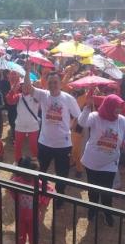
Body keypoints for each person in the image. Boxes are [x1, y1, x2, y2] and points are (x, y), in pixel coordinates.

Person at [23, 61, 81, 201]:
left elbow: (78, 116)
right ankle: (41, 193)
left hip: (63, 145)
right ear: (47, 84)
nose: (53, 85)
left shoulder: (68, 99)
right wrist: (27, 71)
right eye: (50, 83)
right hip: (45, 143)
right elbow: (27, 88)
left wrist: (70, 127)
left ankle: (59, 198)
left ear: (60, 83)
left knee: (62, 175)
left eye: (55, 82)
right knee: (41, 171)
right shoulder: (43, 95)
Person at [78, 94, 125, 226]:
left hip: (109, 164)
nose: (119, 110)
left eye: (120, 107)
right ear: (108, 106)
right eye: (116, 107)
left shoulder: (122, 121)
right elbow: (82, 122)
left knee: (106, 191)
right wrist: (87, 107)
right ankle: (92, 209)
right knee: (93, 190)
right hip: (92, 162)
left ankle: (107, 212)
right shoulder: (95, 116)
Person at [10, 157, 52, 244]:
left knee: (34, 239)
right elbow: (11, 188)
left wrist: (43, 208)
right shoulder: (17, 181)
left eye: (31, 174)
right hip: (20, 217)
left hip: (34, 218)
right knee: (20, 238)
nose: (28, 176)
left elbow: (50, 190)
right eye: (26, 174)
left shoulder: (38, 183)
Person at [5, 78, 40, 163]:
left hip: (33, 126)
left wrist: (37, 88)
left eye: (27, 85)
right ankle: (17, 161)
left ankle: (35, 161)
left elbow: (39, 99)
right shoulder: (18, 96)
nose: (25, 87)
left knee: (34, 146)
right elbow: (9, 101)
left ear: (31, 86)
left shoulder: (35, 96)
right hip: (20, 126)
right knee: (18, 146)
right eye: (23, 85)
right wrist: (12, 90)